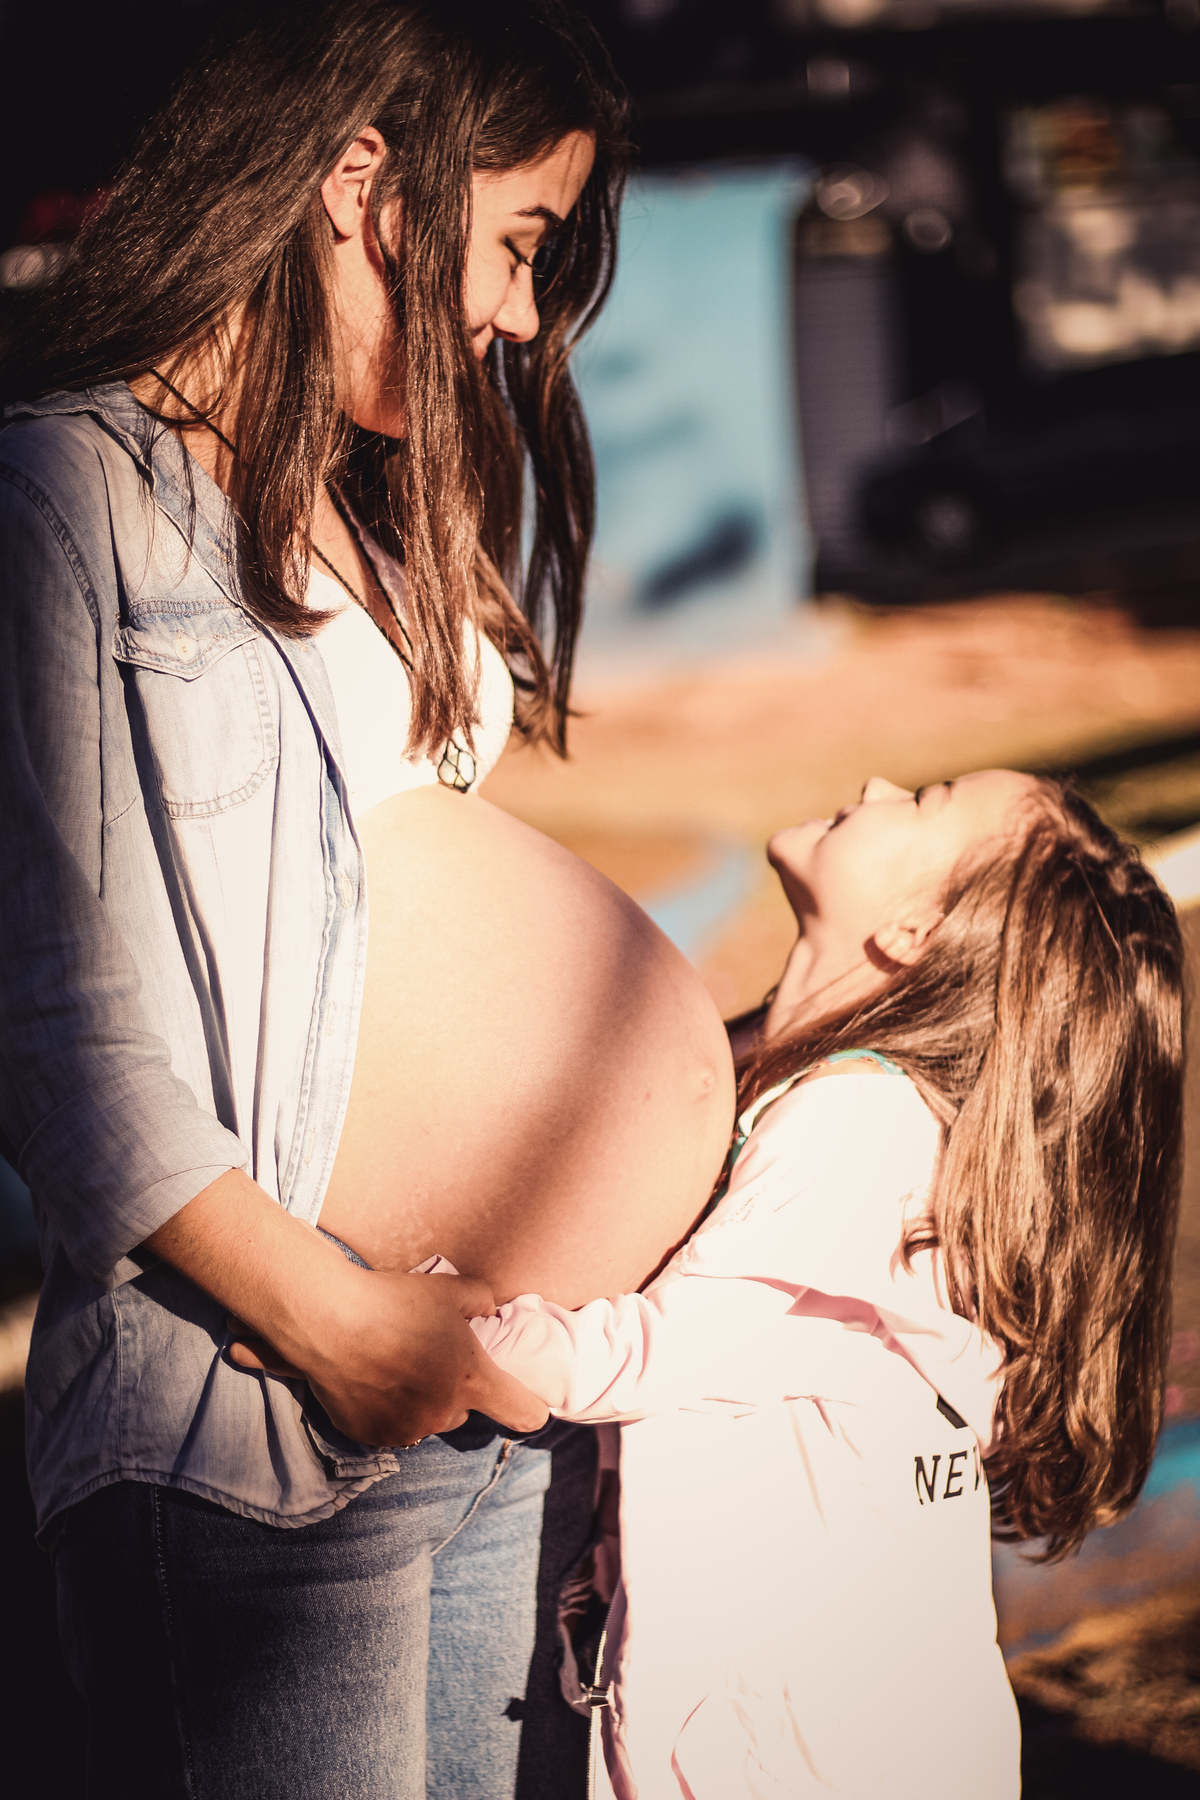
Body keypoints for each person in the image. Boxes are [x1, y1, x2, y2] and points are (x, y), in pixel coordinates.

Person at [0, 5, 737, 1796]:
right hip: (265, 1419)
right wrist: (343, 1332)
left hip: (477, 1411)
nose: (513, 318)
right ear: (360, 188)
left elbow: (418, 921)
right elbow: (54, 1024)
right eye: (518, 247)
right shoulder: (64, 493)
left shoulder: (368, 512)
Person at [469, 771, 1184, 1799]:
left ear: (908, 930)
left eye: (925, 801)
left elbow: (639, 1360)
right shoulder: (834, 1092)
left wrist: (432, 1327)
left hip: (799, 1751)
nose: (878, 782)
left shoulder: (859, 1124)